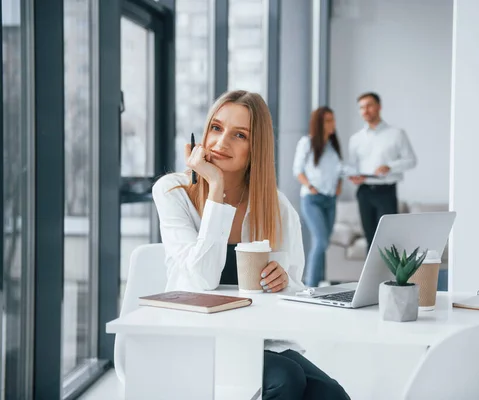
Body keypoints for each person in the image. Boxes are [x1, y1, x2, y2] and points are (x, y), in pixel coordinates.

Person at [152, 90, 350, 400]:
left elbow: (297, 291)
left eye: (239, 135)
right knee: (285, 379)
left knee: (331, 394)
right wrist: (215, 187)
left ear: (255, 147)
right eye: (216, 128)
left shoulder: (277, 207)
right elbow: (199, 279)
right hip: (198, 335)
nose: (221, 143)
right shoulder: (172, 191)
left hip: (258, 338)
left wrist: (283, 282)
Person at [348, 92, 417, 250]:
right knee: (370, 240)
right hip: (364, 191)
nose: (365, 110)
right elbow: (353, 166)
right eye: (362, 107)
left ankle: (389, 275)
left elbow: (411, 160)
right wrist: (354, 176)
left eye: (369, 105)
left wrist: (390, 167)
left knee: (388, 239)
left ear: (379, 107)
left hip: (386, 192)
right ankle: (371, 276)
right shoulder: (356, 139)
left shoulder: (396, 134)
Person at [292, 106, 343, 287]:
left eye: (333, 119)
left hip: (330, 200)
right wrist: (310, 186)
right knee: (321, 241)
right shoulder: (307, 142)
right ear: (319, 123)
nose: (332, 124)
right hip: (312, 199)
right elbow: (297, 170)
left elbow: (339, 171)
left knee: (324, 243)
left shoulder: (333, 146)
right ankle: (311, 286)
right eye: (328, 120)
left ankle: (319, 282)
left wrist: (339, 186)